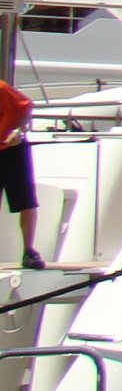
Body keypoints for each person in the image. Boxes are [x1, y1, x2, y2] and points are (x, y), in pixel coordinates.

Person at [0, 76, 43, 269]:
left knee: (25, 201)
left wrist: (19, 131)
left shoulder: (1, 88)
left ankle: (29, 251)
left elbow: (26, 106)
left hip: (13, 150)